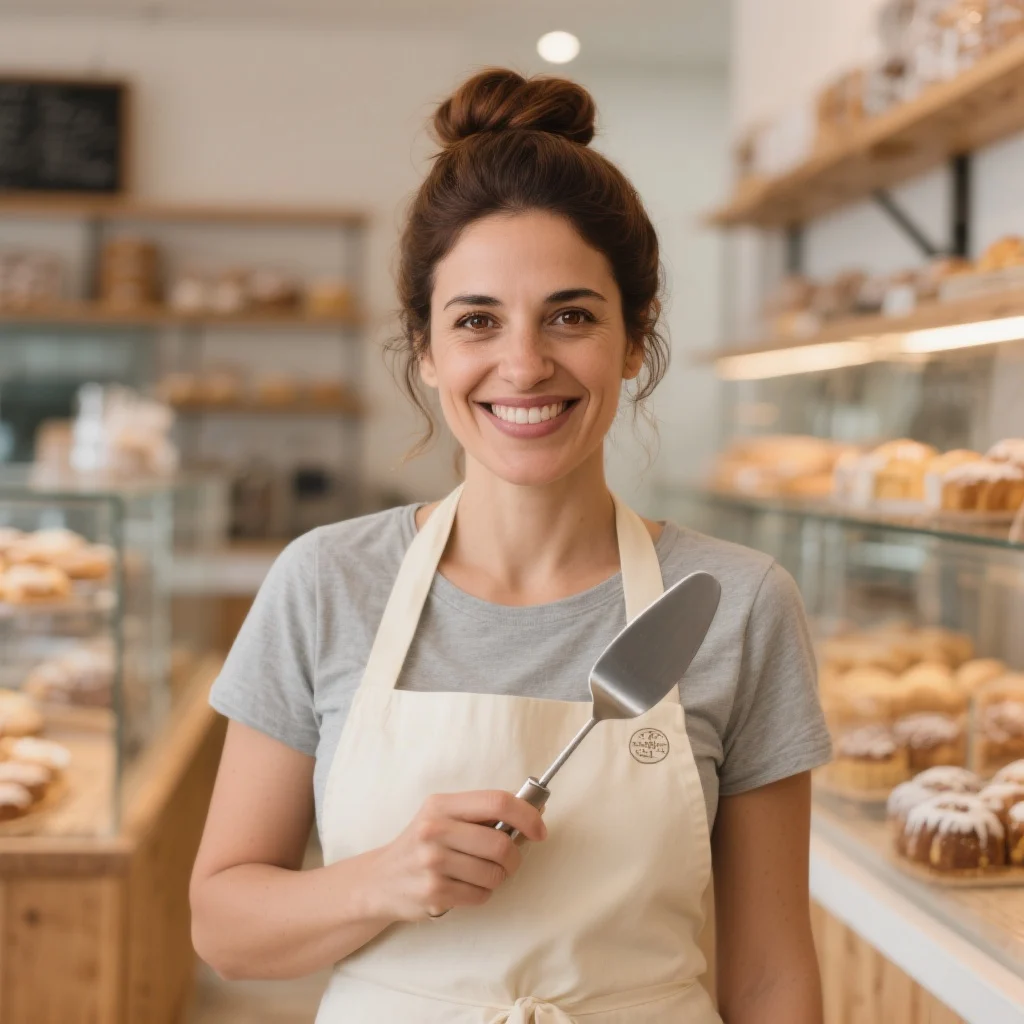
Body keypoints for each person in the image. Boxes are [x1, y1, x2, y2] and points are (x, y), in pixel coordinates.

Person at [190, 68, 831, 1024]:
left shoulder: (735, 604)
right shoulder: (327, 582)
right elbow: (224, 927)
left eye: (571, 316)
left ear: (632, 337)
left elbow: (773, 975)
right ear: (426, 348)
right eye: (477, 320)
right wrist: (383, 880)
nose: (523, 364)